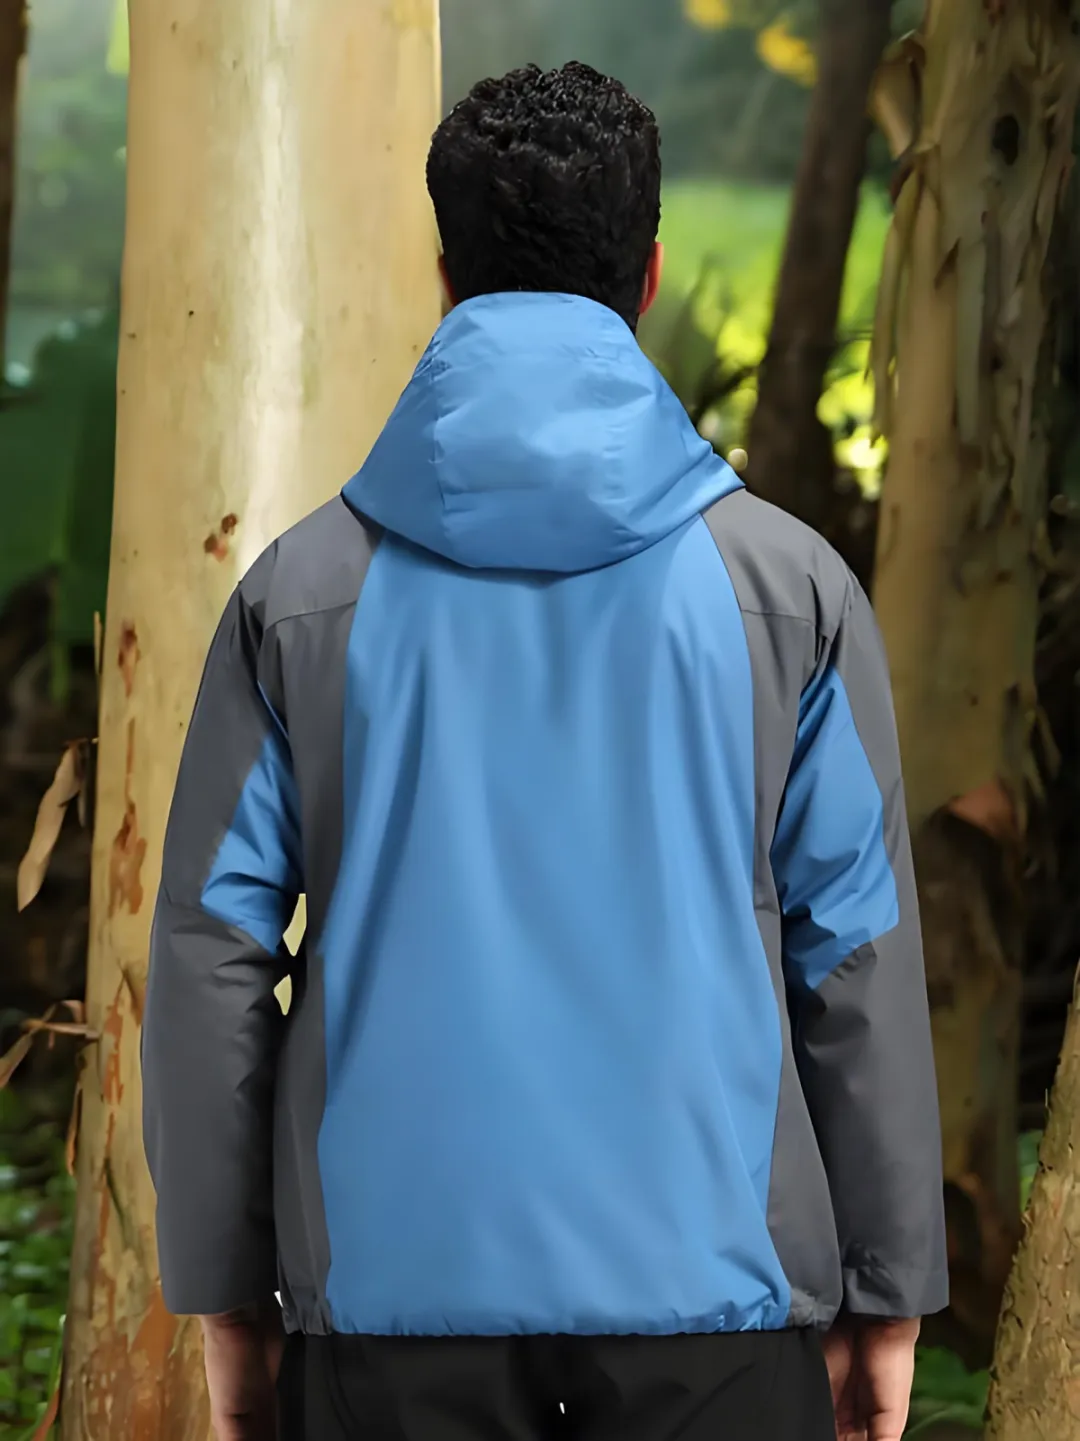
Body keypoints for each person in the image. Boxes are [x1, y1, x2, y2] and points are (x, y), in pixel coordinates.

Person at [142, 61, 948, 1441]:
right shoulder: (787, 589)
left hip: (387, 1317)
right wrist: (889, 1293)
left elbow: (213, 951)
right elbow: (854, 952)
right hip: (720, 1322)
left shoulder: (301, 595)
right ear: (649, 274)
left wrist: (225, 1294)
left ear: (443, 274)